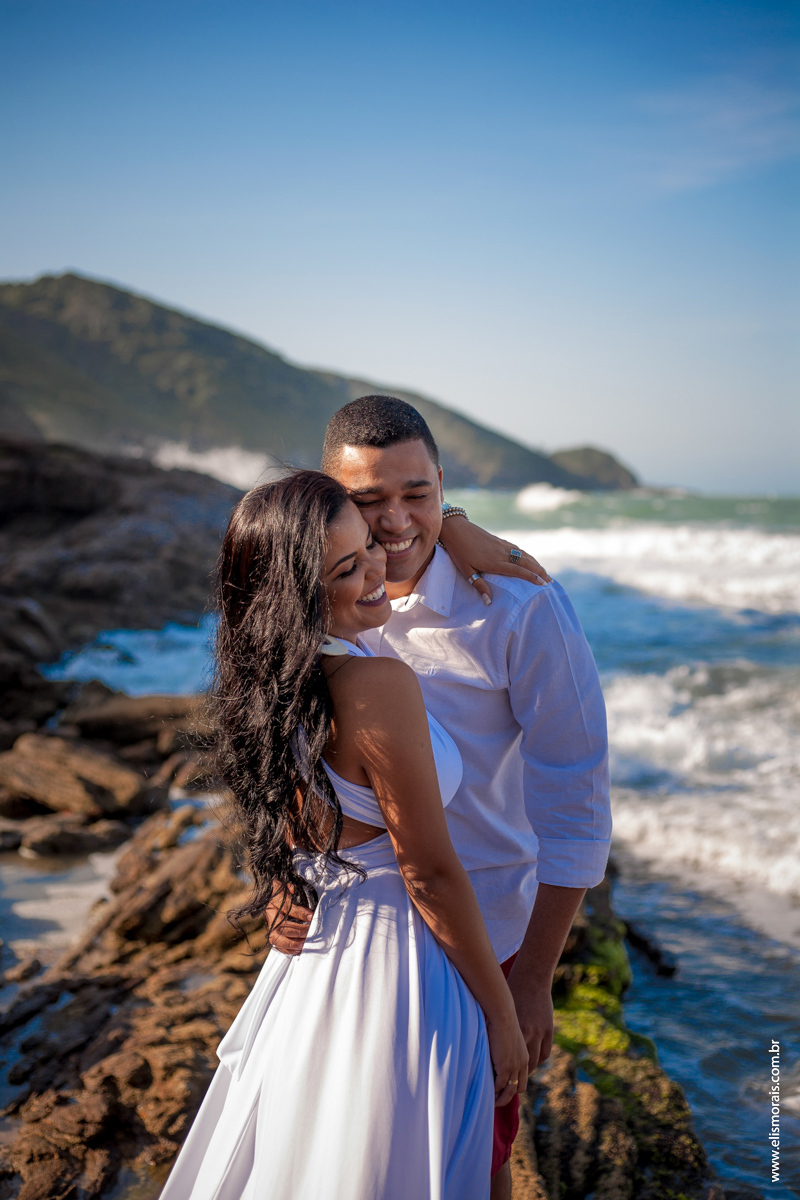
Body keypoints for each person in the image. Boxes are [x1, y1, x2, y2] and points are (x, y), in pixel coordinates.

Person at [270, 396, 612, 1200]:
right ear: (328, 498)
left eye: (417, 495)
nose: (395, 523)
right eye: (366, 499)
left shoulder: (520, 609)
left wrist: (530, 981)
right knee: (356, 1155)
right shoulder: (316, 597)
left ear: (442, 484)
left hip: (485, 937)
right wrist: (283, 872)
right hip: (352, 941)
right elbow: (275, 744)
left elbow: (577, 801)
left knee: (471, 1157)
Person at [160, 470, 529, 1200]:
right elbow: (429, 873)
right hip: (404, 972)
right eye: (346, 568)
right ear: (296, 591)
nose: (378, 572)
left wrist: (450, 524)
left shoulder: (268, 683)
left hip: (314, 968)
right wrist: (502, 1014)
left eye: (369, 549)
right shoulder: (378, 684)